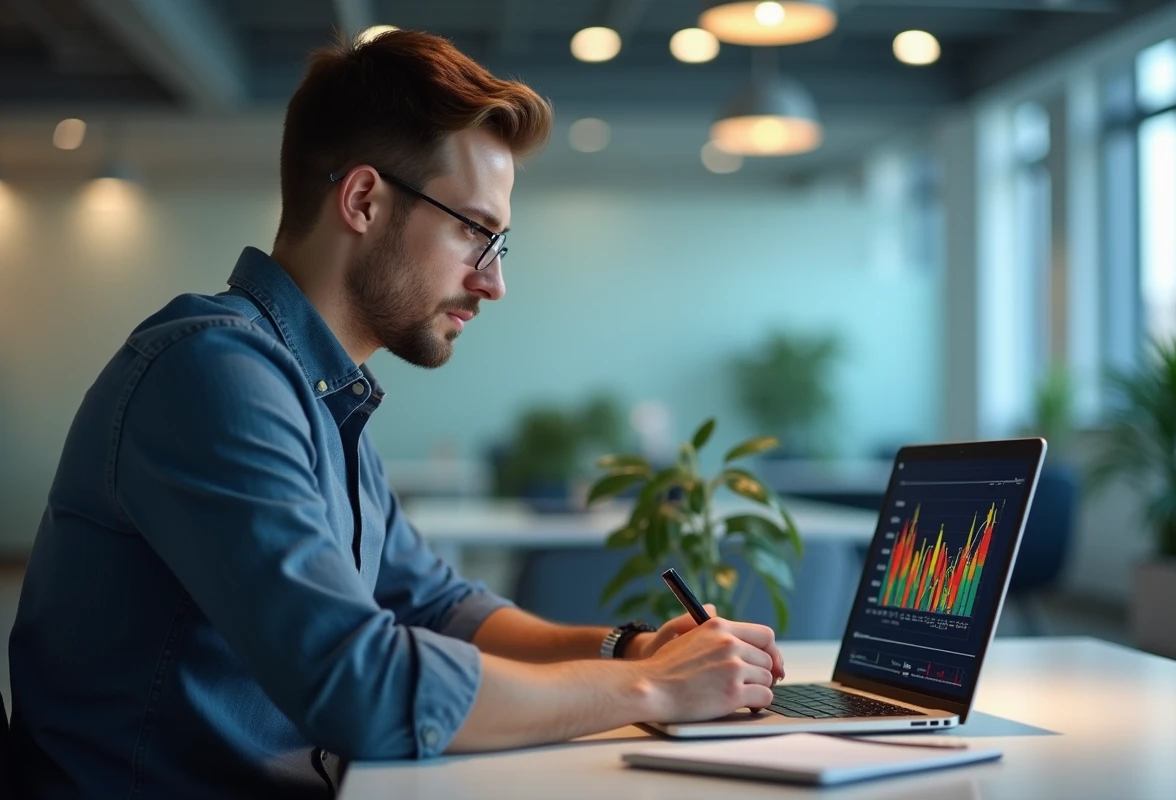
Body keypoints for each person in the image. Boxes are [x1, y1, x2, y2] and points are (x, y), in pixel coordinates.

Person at [7, 29, 784, 799]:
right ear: (364, 201)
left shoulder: (318, 391)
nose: (494, 283)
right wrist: (655, 692)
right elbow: (360, 686)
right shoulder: (211, 375)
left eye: (500, 245)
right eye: (477, 233)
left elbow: (439, 605)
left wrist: (634, 650)